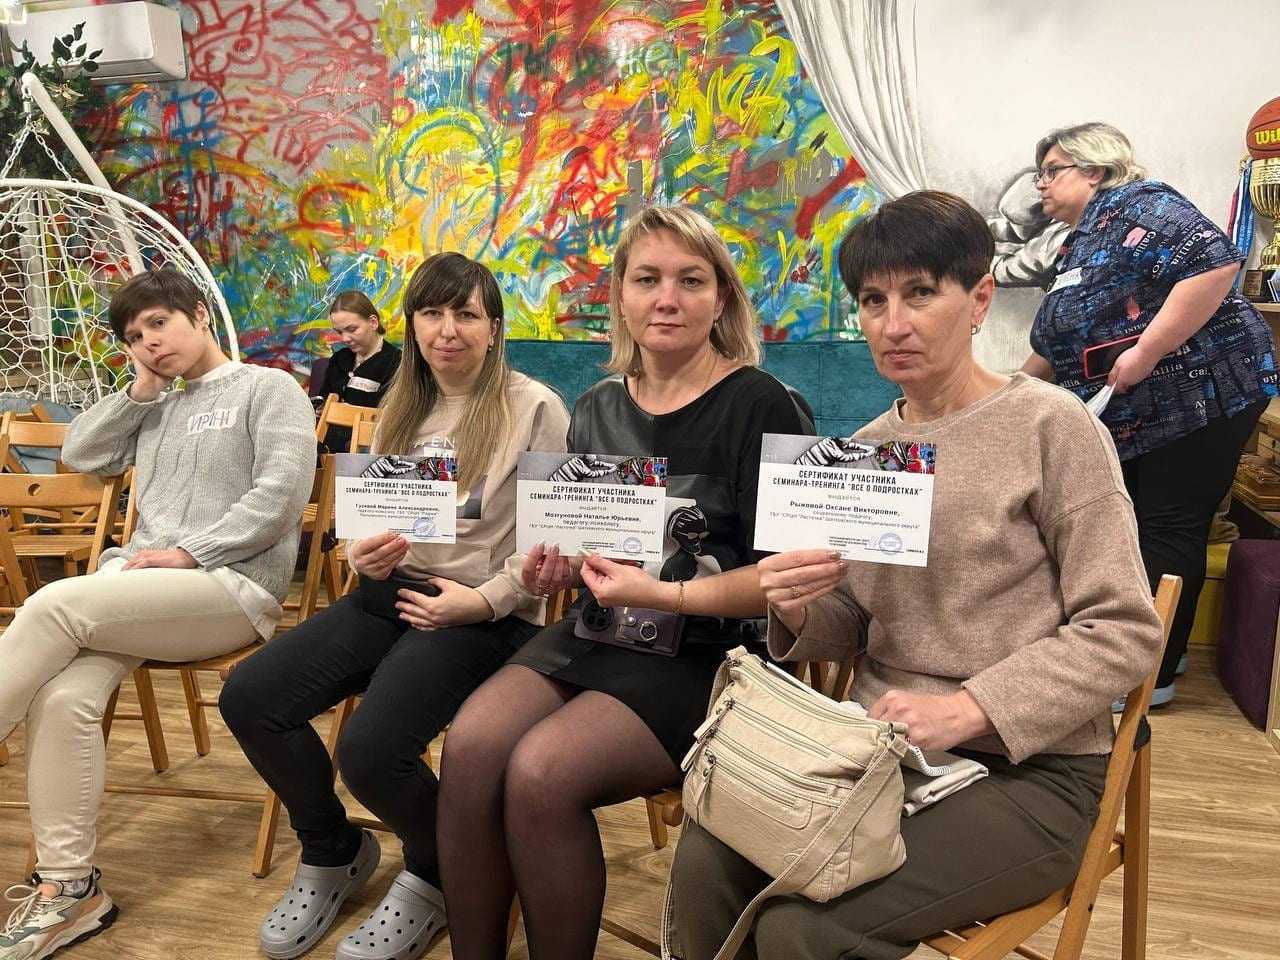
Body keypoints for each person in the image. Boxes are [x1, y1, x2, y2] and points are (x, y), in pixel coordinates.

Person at [666, 191, 1164, 960]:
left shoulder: (1052, 426)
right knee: (705, 856)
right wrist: (797, 608)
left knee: (804, 929)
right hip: (877, 750)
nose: (893, 323)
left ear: (980, 300)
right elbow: (858, 620)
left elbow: (1123, 630)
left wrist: (969, 709)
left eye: (921, 293)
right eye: (873, 300)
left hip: (1030, 770)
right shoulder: (866, 452)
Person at [434, 206, 812, 960]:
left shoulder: (763, 404)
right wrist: (553, 568)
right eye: (647, 280)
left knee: (541, 772)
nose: (666, 298)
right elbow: (583, 550)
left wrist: (663, 594)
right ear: (621, 296)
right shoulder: (599, 405)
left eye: (690, 280)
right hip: (603, 630)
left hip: (712, 653)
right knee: (471, 746)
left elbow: (783, 584)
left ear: (721, 300)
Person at [219, 253, 569, 960]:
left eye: (466, 314)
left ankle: (439, 869)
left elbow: (551, 546)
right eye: (431, 314)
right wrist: (363, 554)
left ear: (495, 328)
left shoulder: (536, 407)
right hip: (388, 595)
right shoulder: (401, 401)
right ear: (411, 325)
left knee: (371, 753)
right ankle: (333, 848)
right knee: (250, 697)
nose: (447, 330)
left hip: (478, 613)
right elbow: (370, 521)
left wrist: (483, 602)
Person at [0, 269, 315, 960]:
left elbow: (282, 496)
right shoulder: (155, 404)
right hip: (142, 593)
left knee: (53, 603)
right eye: (133, 335)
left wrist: (191, 552)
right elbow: (81, 454)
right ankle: (70, 891)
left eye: (158, 324)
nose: (148, 341)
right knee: (63, 698)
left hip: (229, 586)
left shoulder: (268, 388)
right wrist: (139, 392)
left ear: (199, 314)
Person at [1022, 122, 1277, 706]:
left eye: (1052, 170)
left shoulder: (1140, 203)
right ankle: (1162, 646)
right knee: (1139, 525)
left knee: (1169, 524)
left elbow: (1214, 265)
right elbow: (1056, 342)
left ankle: (1150, 676)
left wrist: (1148, 350)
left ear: (1095, 170)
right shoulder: (1080, 240)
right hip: (1142, 412)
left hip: (1202, 394)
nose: (1041, 184)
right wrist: (1009, 394)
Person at [315, 291, 402, 452]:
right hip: (326, 449)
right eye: (339, 332)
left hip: (367, 451)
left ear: (373, 322)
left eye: (352, 329)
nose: (345, 339)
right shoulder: (338, 358)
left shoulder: (397, 363)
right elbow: (323, 399)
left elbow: (390, 419)